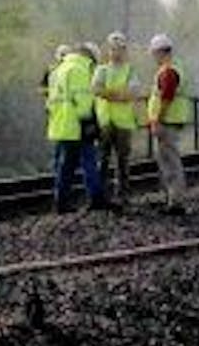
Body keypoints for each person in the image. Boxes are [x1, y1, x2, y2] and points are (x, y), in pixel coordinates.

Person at [46, 43, 108, 213]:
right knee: (89, 161)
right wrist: (89, 122)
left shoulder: (58, 69)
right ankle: (96, 199)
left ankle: (61, 202)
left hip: (60, 125)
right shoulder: (80, 69)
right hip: (77, 125)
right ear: (90, 57)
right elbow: (82, 100)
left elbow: (50, 101)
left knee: (64, 166)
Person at [92, 31, 140, 205]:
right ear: (108, 50)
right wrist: (120, 94)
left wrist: (109, 94)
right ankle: (101, 196)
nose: (116, 52)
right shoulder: (101, 70)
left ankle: (123, 195)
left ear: (124, 50)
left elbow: (133, 92)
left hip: (123, 123)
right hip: (105, 122)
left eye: (119, 49)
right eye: (113, 49)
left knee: (123, 162)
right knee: (102, 161)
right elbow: (96, 89)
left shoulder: (130, 70)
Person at [146, 33, 189, 214]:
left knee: (170, 162)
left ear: (160, 52)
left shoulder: (168, 71)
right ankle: (171, 198)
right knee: (168, 161)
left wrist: (157, 119)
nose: (153, 57)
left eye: (154, 54)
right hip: (172, 120)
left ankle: (176, 202)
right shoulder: (176, 67)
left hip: (167, 121)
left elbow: (166, 97)